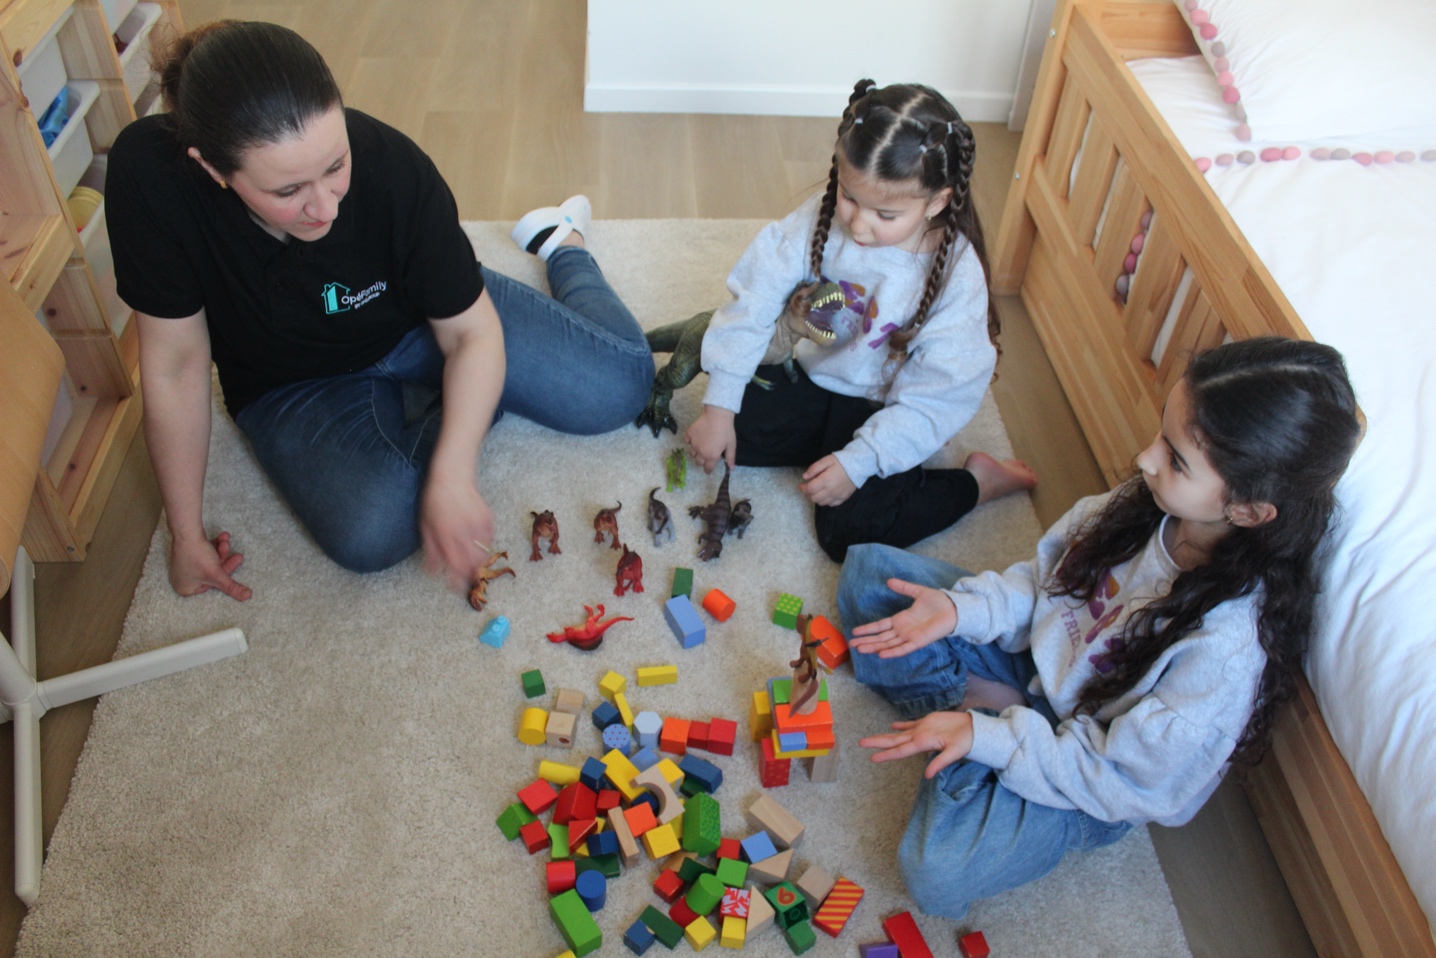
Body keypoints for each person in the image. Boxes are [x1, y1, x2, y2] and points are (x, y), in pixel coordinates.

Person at [106, 21, 653, 601]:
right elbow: (176, 365)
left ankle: (562, 247)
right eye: (288, 192)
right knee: (371, 532)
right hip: (292, 383)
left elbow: (470, 332)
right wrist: (185, 535)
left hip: (420, 321)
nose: (325, 207)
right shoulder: (150, 177)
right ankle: (464, 400)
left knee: (620, 386)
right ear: (213, 169)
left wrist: (452, 473)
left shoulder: (391, 165)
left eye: (335, 166)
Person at [836, 337, 1362, 919]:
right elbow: (1042, 585)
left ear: (1249, 510)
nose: (1145, 459)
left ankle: (983, 726)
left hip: (1092, 774)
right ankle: (990, 715)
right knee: (870, 574)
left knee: (936, 869)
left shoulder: (1224, 649)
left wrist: (994, 740)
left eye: (1176, 458)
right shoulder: (1148, 505)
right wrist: (964, 611)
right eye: (1162, 435)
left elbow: (1121, 778)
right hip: (1039, 668)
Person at [683, 79, 1036, 563]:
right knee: (726, 422)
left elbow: (939, 396)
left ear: (936, 202)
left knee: (846, 535)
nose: (858, 224)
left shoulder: (957, 276)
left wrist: (860, 461)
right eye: (849, 197)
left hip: (882, 410)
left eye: (885, 213)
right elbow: (755, 295)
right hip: (816, 376)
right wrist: (720, 406)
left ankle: (977, 483)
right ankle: (824, 448)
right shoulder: (823, 217)